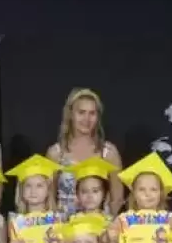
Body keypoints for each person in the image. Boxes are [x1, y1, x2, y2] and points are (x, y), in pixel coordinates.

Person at [46, 88, 125, 216]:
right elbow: (49, 196)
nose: (86, 119)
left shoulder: (109, 153)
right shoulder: (55, 154)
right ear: (71, 114)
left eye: (92, 113)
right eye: (81, 112)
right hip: (64, 224)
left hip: (100, 224)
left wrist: (106, 223)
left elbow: (117, 198)